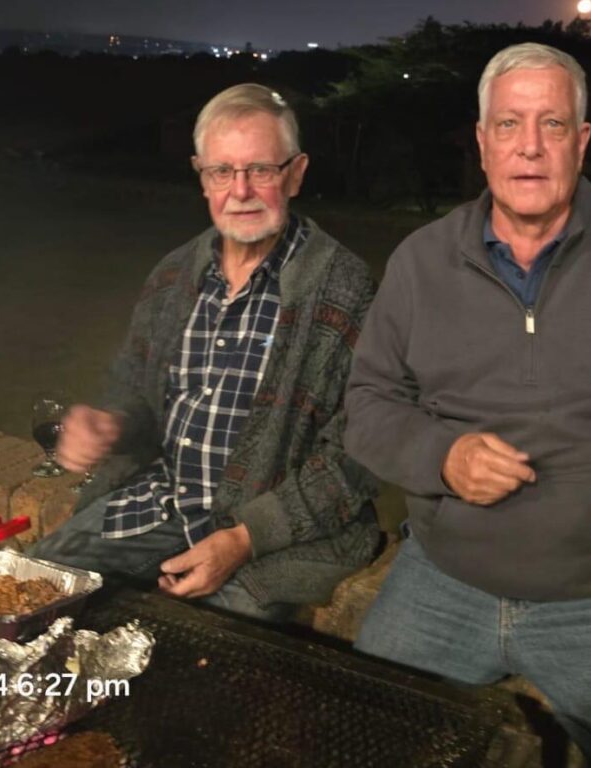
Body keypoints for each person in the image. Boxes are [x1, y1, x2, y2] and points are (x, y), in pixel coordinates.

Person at [344, 43, 591, 766]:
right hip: (442, 581)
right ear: (482, 141)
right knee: (364, 742)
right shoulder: (420, 261)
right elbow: (368, 405)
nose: (529, 146)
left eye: (552, 124)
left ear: (582, 140)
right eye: (509, 124)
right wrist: (443, 456)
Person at [29, 83, 380, 623]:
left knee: (210, 646)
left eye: (260, 170)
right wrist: (111, 424)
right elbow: (133, 390)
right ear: (201, 176)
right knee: (33, 587)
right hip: (160, 503)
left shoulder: (346, 290)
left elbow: (358, 458)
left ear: (296, 173)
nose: (240, 191)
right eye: (222, 172)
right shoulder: (173, 276)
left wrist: (245, 538)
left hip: (271, 532)